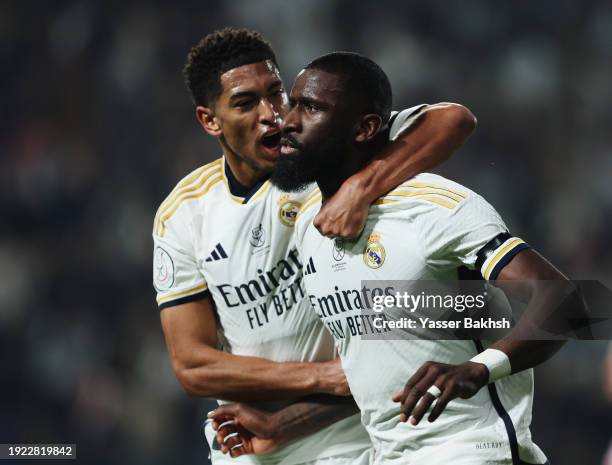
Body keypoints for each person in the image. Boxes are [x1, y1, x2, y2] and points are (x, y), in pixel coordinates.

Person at [211, 51, 581, 465]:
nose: (288, 121)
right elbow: (379, 372)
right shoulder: (309, 228)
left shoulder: (433, 205)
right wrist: (285, 425)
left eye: (311, 108)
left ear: (366, 128)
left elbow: (567, 304)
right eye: (293, 103)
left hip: (472, 451)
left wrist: (479, 368)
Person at [154, 28, 477, 465]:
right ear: (210, 120)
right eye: (246, 104)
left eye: (276, 93)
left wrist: (362, 188)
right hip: (248, 445)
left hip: (353, 439)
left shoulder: (328, 158)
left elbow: (452, 119)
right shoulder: (183, 214)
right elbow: (193, 365)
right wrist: (324, 376)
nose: (272, 115)